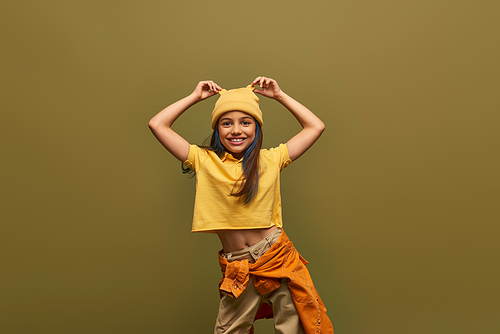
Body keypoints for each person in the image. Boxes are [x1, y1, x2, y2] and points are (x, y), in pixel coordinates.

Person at [149, 76, 334, 334]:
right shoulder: (203, 160)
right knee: (228, 330)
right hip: (237, 266)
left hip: (276, 256)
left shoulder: (271, 159)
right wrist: (194, 97)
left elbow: (315, 126)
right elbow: (157, 124)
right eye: (226, 123)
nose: (236, 130)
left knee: (297, 327)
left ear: (257, 128)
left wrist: (280, 96)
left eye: (245, 122)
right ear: (217, 130)